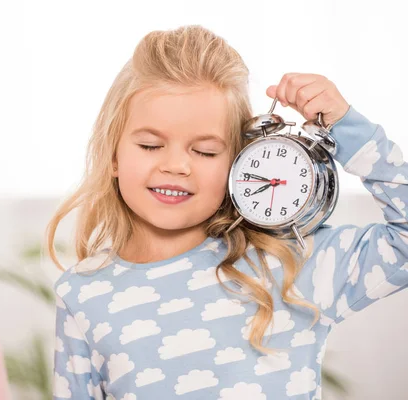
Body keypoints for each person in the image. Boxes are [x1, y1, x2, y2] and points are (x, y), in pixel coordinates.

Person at [45, 25, 408, 399]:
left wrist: (347, 127)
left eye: (204, 152)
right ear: (113, 155)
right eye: (151, 145)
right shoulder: (83, 293)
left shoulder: (292, 263)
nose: (176, 165)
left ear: (237, 163)